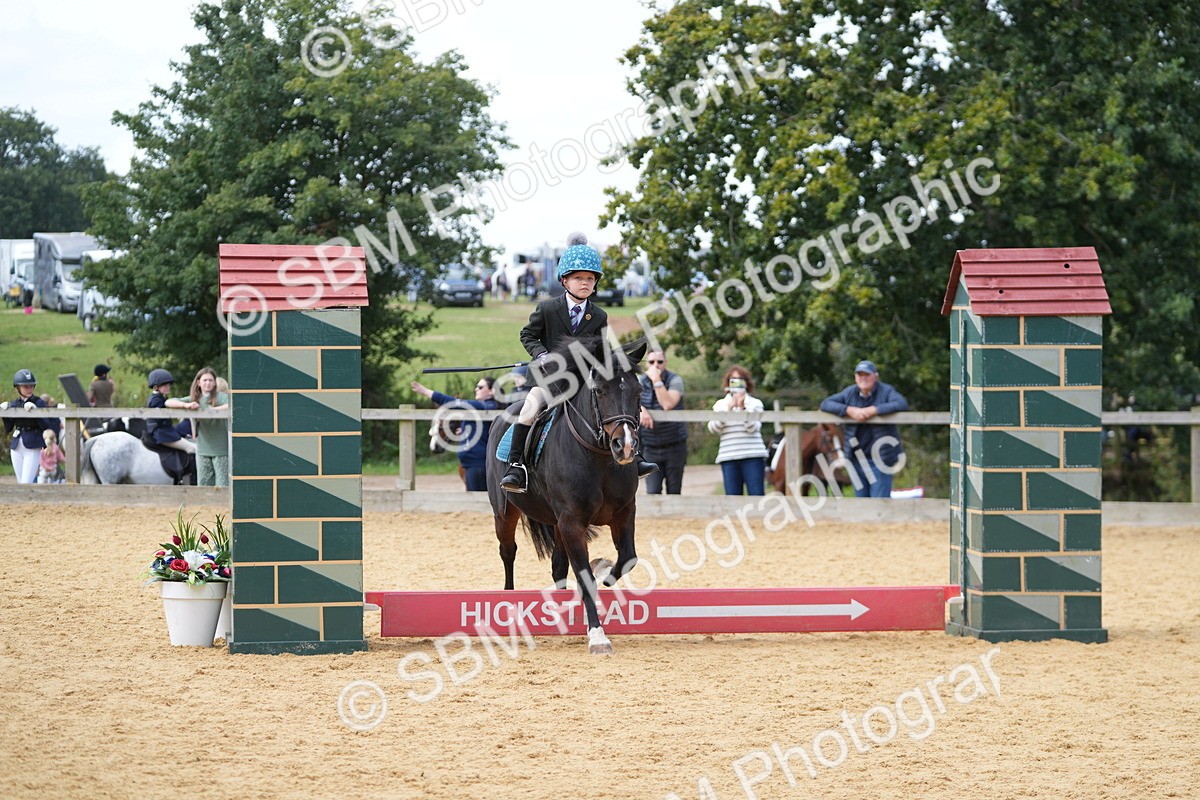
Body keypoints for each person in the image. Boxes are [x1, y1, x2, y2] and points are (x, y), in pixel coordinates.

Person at [500, 232, 655, 492]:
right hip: (549, 380)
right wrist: (541, 354)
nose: (585, 283)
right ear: (565, 281)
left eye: (590, 279)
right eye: (579, 278)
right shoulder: (548, 308)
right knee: (529, 409)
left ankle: (633, 458)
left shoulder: (599, 315)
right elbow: (527, 335)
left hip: (584, 381)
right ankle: (516, 467)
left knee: (618, 405)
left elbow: (602, 349)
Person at [820, 360, 909, 498]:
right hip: (856, 459)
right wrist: (849, 410)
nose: (863, 378)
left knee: (880, 504)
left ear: (875, 376)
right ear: (855, 378)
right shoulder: (850, 393)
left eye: (867, 375)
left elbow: (901, 403)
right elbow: (826, 403)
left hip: (881, 459)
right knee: (861, 504)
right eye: (859, 375)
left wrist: (874, 410)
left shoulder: (886, 391)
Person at [411, 376, 499, 491]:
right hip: (473, 463)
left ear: (492, 392)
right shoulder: (482, 407)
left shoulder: (485, 406)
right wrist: (465, 431)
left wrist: (426, 392)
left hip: (478, 464)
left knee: (477, 502)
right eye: (476, 386)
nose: (476, 389)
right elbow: (484, 429)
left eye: (480, 387)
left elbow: (454, 403)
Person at [707, 366, 769, 496]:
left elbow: (753, 428)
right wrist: (728, 410)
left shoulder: (755, 403)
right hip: (729, 456)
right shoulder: (720, 405)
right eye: (733, 380)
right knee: (732, 499)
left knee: (756, 496)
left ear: (746, 383)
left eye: (740, 380)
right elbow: (713, 428)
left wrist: (742, 408)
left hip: (753, 456)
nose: (736, 383)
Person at [639, 349, 688, 494]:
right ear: (646, 364)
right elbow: (626, 401)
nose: (656, 365)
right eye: (652, 362)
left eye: (659, 362)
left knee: (674, 492)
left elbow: (667, 404)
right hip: (650, 446)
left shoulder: (674, 380)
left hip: (674, 445)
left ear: (665, 363)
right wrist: (641, 409)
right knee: (653, 492)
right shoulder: (639, 381)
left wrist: (656, 380)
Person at [3, 369, 60, 484]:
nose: (29, 389)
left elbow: (46, 425)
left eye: (31, 386)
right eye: (25, 387)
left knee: (26, 483)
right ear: (18, 388)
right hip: (16, 447)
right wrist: (4, 414)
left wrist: (35, 412)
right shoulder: (14, 404)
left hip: (33, 446)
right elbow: (8, 428)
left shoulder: (39, 402)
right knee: (20, 483)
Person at [189, 367, 229, 486]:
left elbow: (231, 404)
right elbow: (169, 402)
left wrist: (211, 410)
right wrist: (186, 405)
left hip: (221, 449)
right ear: (198, 383)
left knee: (222, 483)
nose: (208, 383)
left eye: (210, 380)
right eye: (204, 380)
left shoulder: (220, 397)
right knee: (203, 483)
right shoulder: (195, 399)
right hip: (203, 447)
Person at [145, 368, 197, 454]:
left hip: (166, 431)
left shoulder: (160, 397)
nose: (168, 387)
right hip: (162, 435)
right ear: (156, 387)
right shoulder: (156, 400)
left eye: (169, 385)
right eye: (165, 385)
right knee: (192, 448)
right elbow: (167, 405)